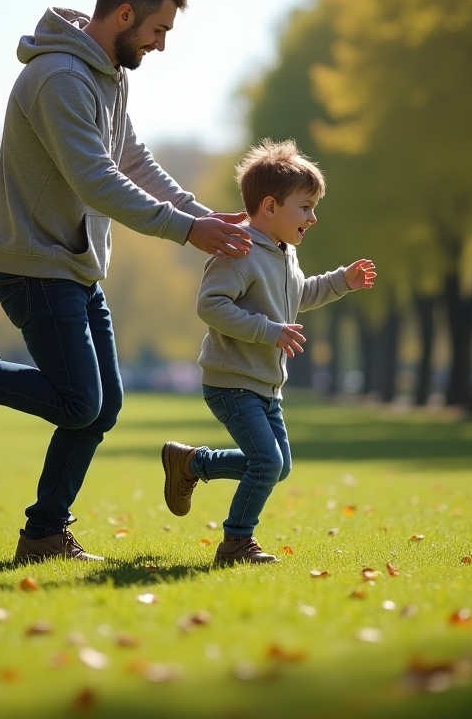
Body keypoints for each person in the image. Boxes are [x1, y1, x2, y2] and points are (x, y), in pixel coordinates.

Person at [0, 0, 253, 564]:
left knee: (102, 406)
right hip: (33, 264)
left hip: (74, 266)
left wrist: (200, 213)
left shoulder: (108, 74)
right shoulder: (60, 78)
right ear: (123, 15)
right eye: (157, 31)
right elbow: (97, 181)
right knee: (79, 402)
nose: (161, 45)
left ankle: (43, 534)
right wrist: (186, 231)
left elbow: (132, 159)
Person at [161, 138, 376, 566]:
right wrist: (268, 331)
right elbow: (211, 305)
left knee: (278, 466)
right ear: (270, 207)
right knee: (266, 463)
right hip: (231, 381)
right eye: (306, 207)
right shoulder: (238, 249)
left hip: (265, 384)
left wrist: (341, 281)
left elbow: (297, 295)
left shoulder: (284, 254)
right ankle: (236, 544)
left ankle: (192, 464)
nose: (312, 218)